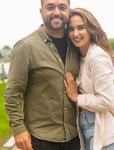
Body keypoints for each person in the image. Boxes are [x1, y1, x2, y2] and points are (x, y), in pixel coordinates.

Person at [4, 0, 81, 150]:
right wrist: (19, 129)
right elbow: (12, 93)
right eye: (50, 7)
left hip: (75, 137)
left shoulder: (77, 44)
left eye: (62, 7)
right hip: (40, 140)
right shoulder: (25, 47)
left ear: (69, 11)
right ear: (41, 12)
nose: (57, 12)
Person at [64, 8, 114, 150]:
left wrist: (77, 98)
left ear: (91, 29)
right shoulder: (82, 56)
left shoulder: (96, 57)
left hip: (103, 131)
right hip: (90, 125)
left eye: (81, 28)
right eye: (71, 29)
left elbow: (107, 101)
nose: (75, 34)